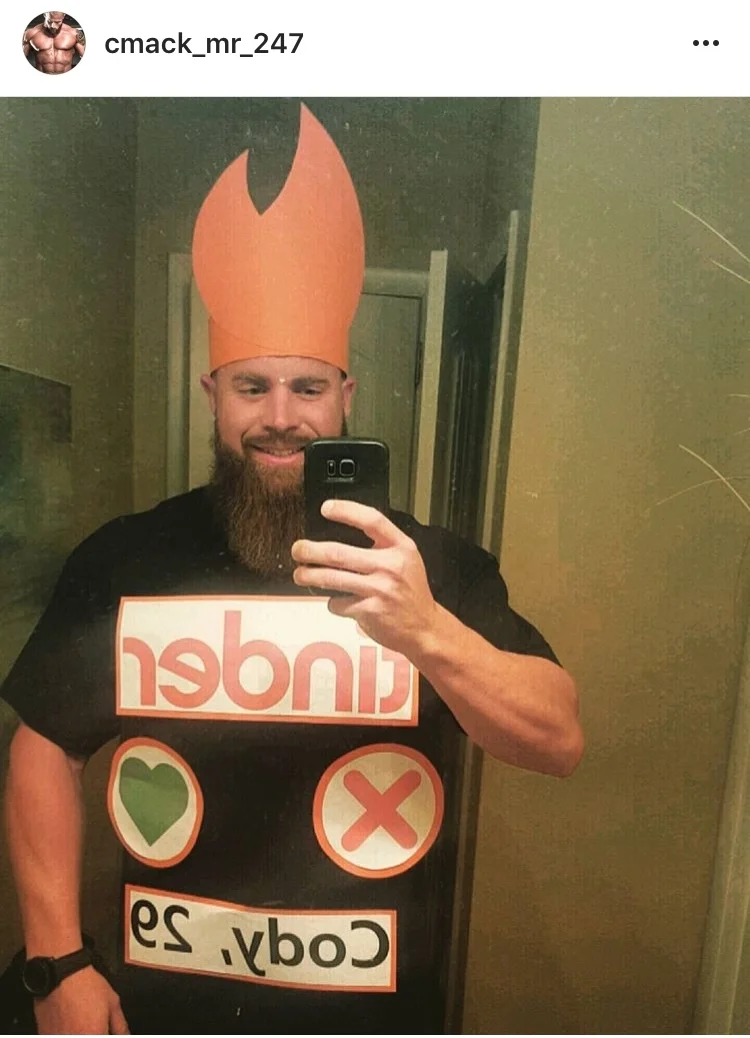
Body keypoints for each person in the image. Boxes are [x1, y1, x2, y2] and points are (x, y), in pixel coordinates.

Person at [1, 106, 583, 1035]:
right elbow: (45, 743)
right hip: (165, 1005)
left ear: (345, 396)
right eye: (252, 387)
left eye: (307, 387)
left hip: (371, 1009)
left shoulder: (428, 567)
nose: (280, 416)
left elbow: (556, 739)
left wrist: (427, 632)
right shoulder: (125, 557)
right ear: (213, 394)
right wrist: (56, 962)